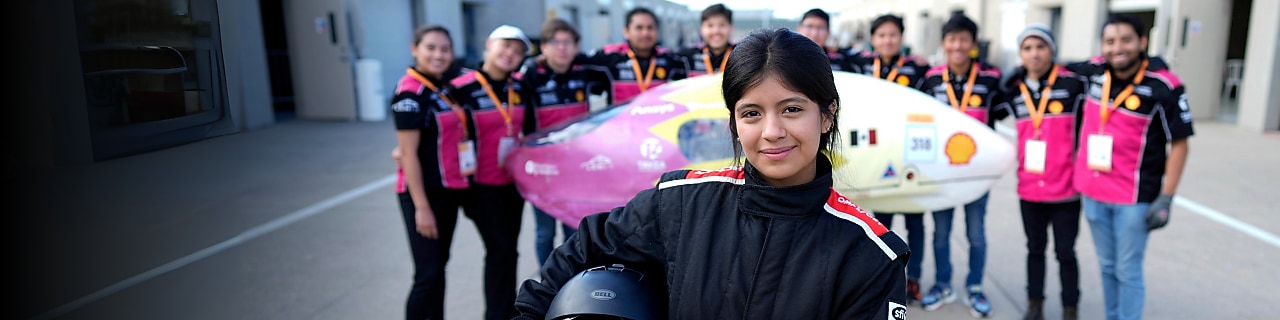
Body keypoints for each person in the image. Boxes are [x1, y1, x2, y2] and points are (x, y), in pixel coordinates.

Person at [512, 27, 910, 319]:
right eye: (751, 114)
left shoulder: (870, 255)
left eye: (791, 109)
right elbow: (578, 252)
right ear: (734, 124)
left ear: (826, 116)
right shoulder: (680, 204)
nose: (772, 132)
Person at [1066, 14, 1191, 320]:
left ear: (1142, 42)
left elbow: (1180, 143)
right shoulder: (1094, 71)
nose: (1117, 48)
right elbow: (1055, 66)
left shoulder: (1165, 85)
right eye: (1110, 41)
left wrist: (1167, 198)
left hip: (1134, 198)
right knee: (1107, 267)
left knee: (1127, 270)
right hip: (1093, 192)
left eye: (1126, 40)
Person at [994, 24, 1088, 320]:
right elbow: (990, 113)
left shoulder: (1073, 84)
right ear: (1020, 54)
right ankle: (1035, 305)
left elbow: (1102, 71)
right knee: (1035, 249)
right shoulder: (1014, 90)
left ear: (1052, 50)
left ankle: (1070, 307)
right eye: (1027, 48)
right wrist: (999, 87)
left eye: (1041, 46)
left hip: (1066, 190)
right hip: (1030, 188)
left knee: (1065, 253)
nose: (1034, 54)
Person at [917, 13, 1006, 317]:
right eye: (952, 39)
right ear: (944, 43)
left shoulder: (990, 78)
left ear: (972, 44)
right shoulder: (931, 78)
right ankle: (943, 284)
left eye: (963, 40)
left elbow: (1003, 111)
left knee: (976, 234)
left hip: (977, 172)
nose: (957, 45)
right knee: (940, 234)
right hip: (943, 174)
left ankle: (975, 287)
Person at [444, 24, 533, 320]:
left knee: (508, 252)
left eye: (518, 50)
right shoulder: (461, 88)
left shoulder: (519, 86)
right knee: (500, 250)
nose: (511, 54)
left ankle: (505, 311)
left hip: (512, 184)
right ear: (489, 45)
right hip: (479, 186)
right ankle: (497, 314)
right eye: (505, 46)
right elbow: (437, 126)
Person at [845, 13, 932, 306]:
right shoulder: (862, 65)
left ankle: (915, 278)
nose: (887, 40)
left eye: (893, 35)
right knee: (880, 224)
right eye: (881, 35)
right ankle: (886, 278)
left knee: (916, 222)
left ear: (901, 37)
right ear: (873, 39)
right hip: (878, 155)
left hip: (910, 156)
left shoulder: (919, 70)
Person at [389, 24, 475, 320]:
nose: (439, 54)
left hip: (447, 190)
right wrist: (422, 208)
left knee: (438, 269)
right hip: (422, 194)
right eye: (431, 47)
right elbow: (408, 154)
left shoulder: (442, 85)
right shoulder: (410, 93)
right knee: (427, 274)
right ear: (415, 50)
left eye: (445, 49)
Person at [520, 18, 613, 267]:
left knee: (574, 228)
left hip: (575, 168)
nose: (562, 48)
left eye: (567, 42)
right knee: (545, 232)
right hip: (542, 169)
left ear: (575, 47)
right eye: (555, 42)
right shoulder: (531, 77)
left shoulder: (584, 73)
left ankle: (571, 281)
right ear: (544, 48)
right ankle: (546, 280)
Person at [584, 7, 689, 105]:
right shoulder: (611, 59)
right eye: (639, 28)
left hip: (659, 122)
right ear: (626, 32)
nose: (645, 33)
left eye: (650, 27)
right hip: (621, 123)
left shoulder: (670, 60)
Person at [678, 3, 735, 77]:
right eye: (710, 25)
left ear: (731, 28)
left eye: (722, 25)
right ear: (701, 29)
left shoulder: (742, 55)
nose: (716, 31)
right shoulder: (685, 57)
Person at [795, 8, 856, 72]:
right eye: (809, 26)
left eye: (821, 27)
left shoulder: (842, 59)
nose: (814, 33)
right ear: (799, 29)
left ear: (829, 33)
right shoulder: (788, 57)